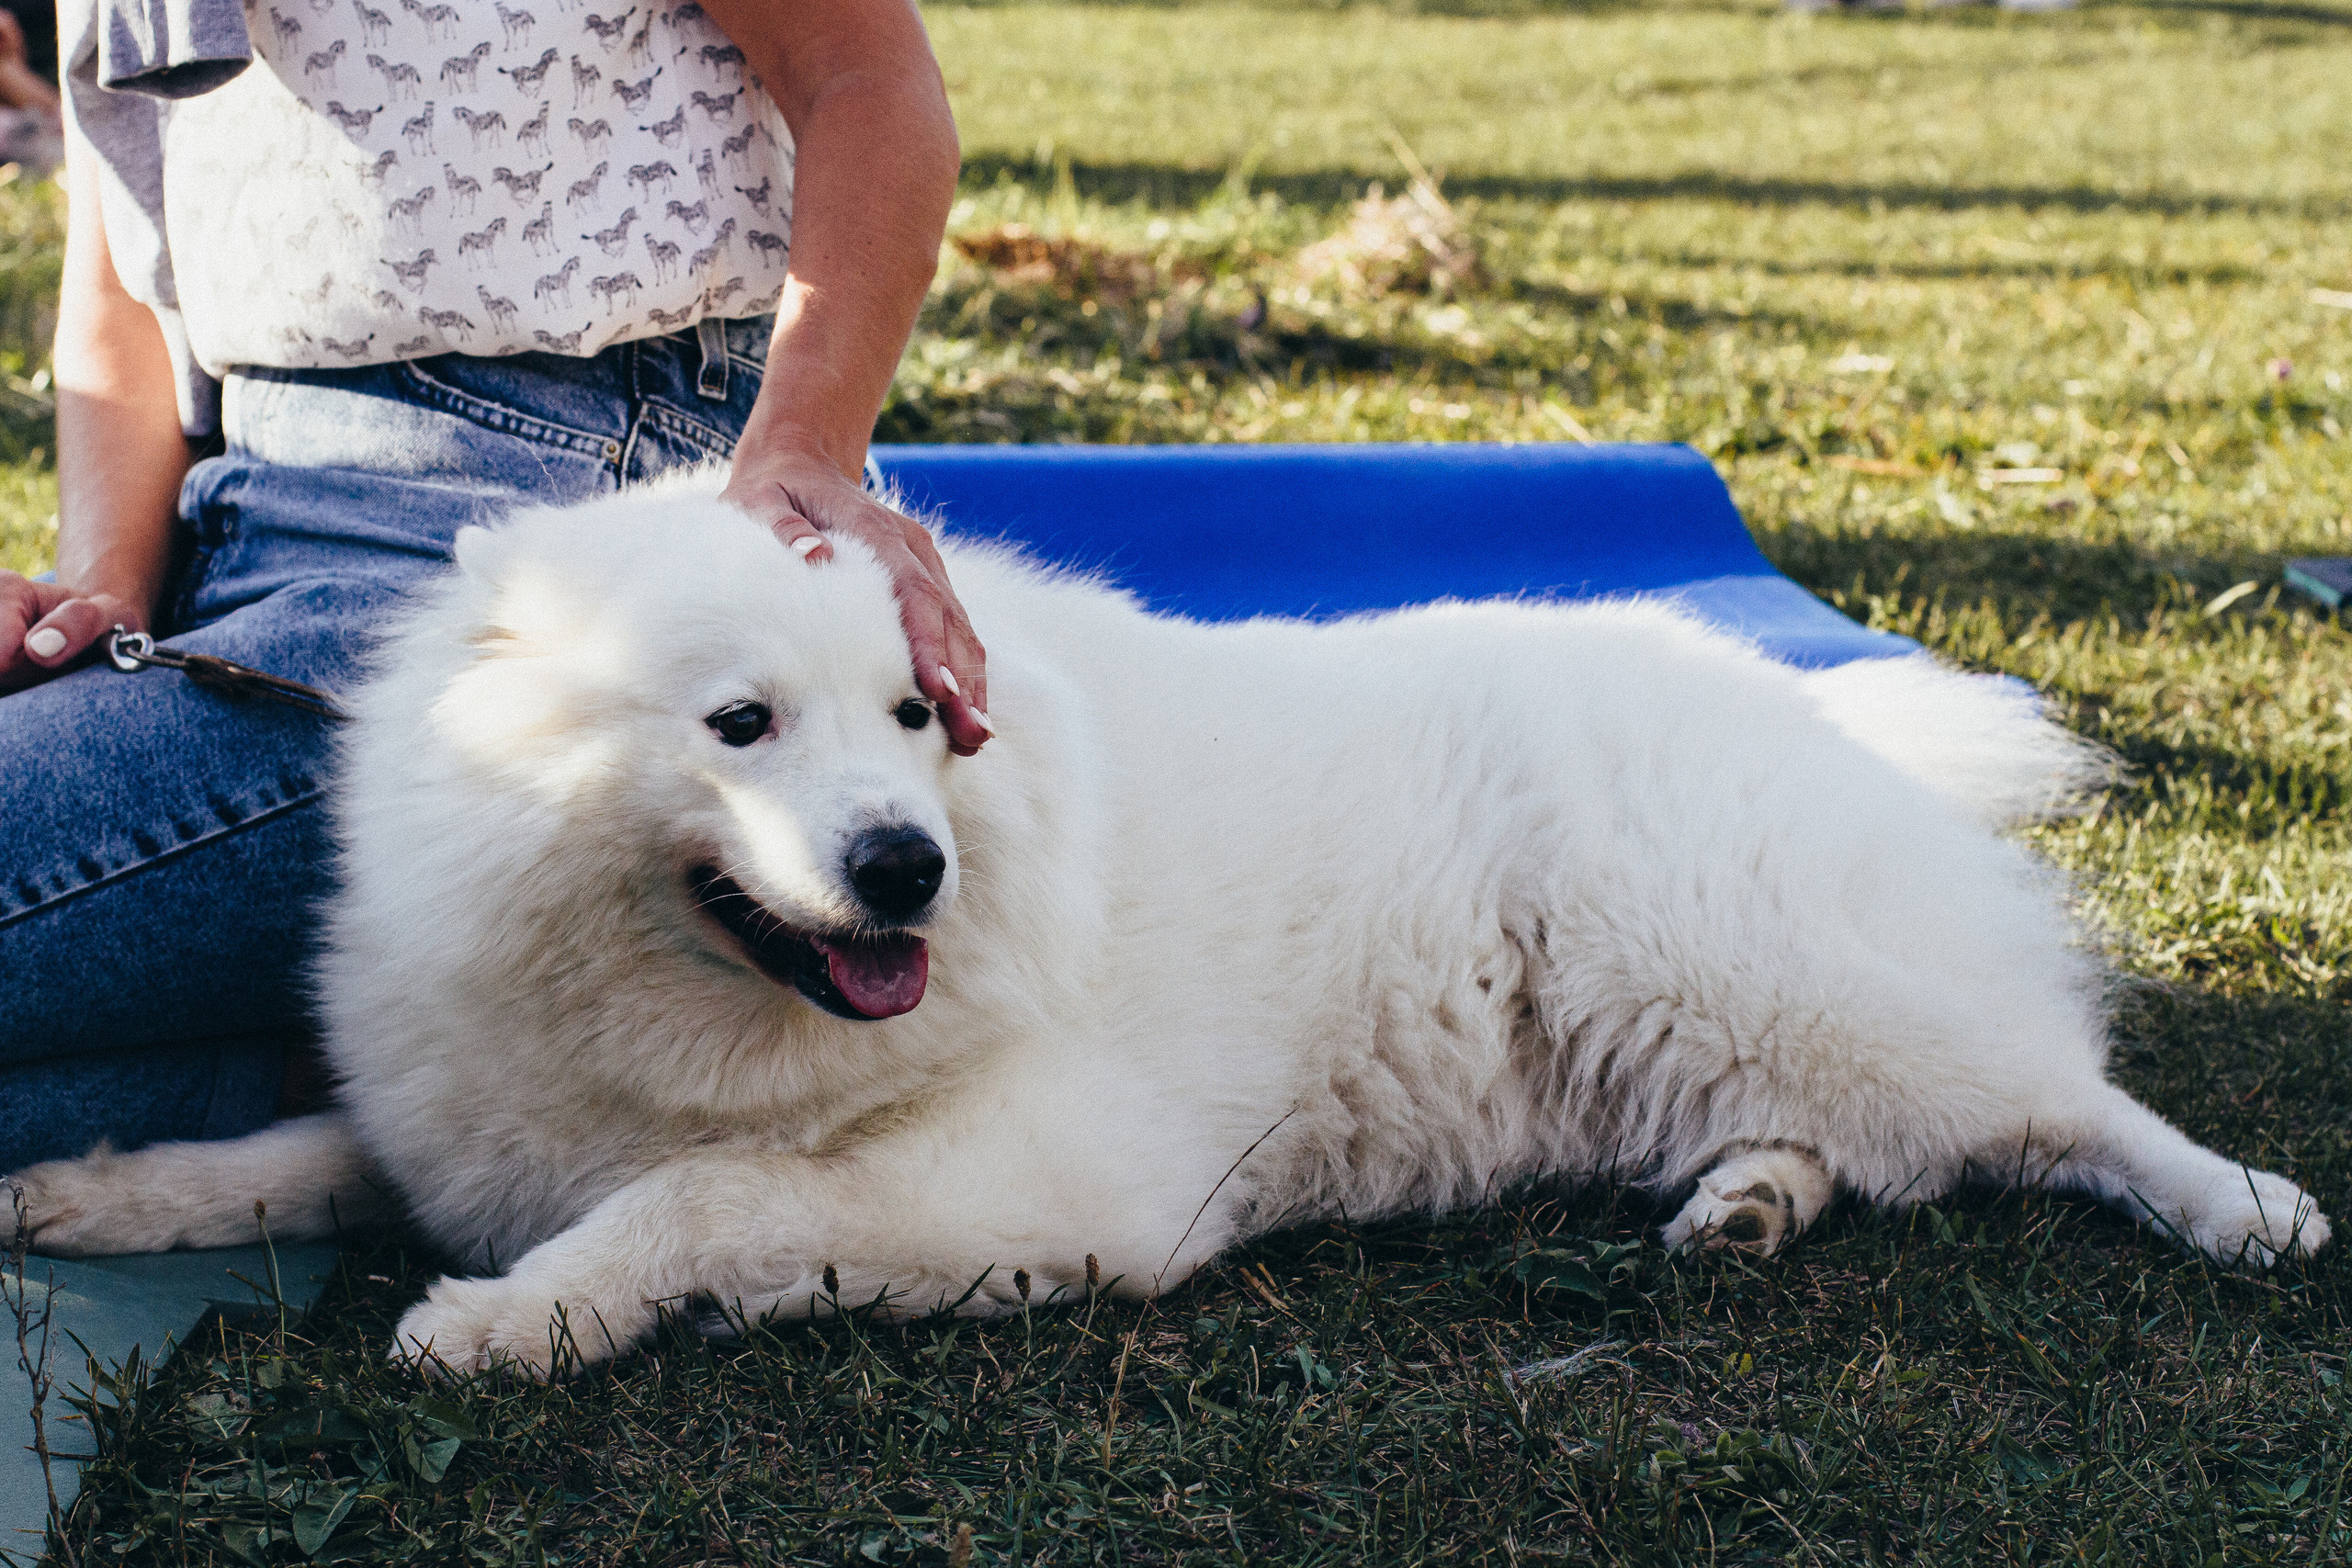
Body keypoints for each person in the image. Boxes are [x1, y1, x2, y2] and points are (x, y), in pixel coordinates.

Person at [0, 0, 986, 1176]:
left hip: (533, 543)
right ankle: (365, 1068)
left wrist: (806, 447)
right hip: (238, 522)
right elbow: (124, 243)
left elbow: (866, 76)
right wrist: (101, 590)